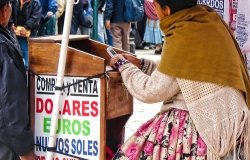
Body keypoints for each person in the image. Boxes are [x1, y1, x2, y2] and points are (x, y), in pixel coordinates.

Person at [110, 0, 250, 159]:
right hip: (229, 116)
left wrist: (124, 67)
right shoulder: (210, 20)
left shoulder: (183, 33)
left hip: (202, 121)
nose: (154, 10)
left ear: (167, 10)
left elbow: (151, 91)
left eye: (155, 6)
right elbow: (182, 70)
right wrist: (143, 65)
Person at [0, 0, 36, 159]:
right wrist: (25, 150)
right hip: (6, 141)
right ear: (4, 11)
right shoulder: (3, 47)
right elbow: (10, 101)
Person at [10, 0, 42, 68]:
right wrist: (11, 24)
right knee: (15, 52)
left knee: (26, 54)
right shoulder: (14, 1)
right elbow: (9, 13)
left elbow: (35, 18)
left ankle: (26, 69)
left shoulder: (36, 3)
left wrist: (26, 27)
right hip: (15, 33)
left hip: (28, 34)